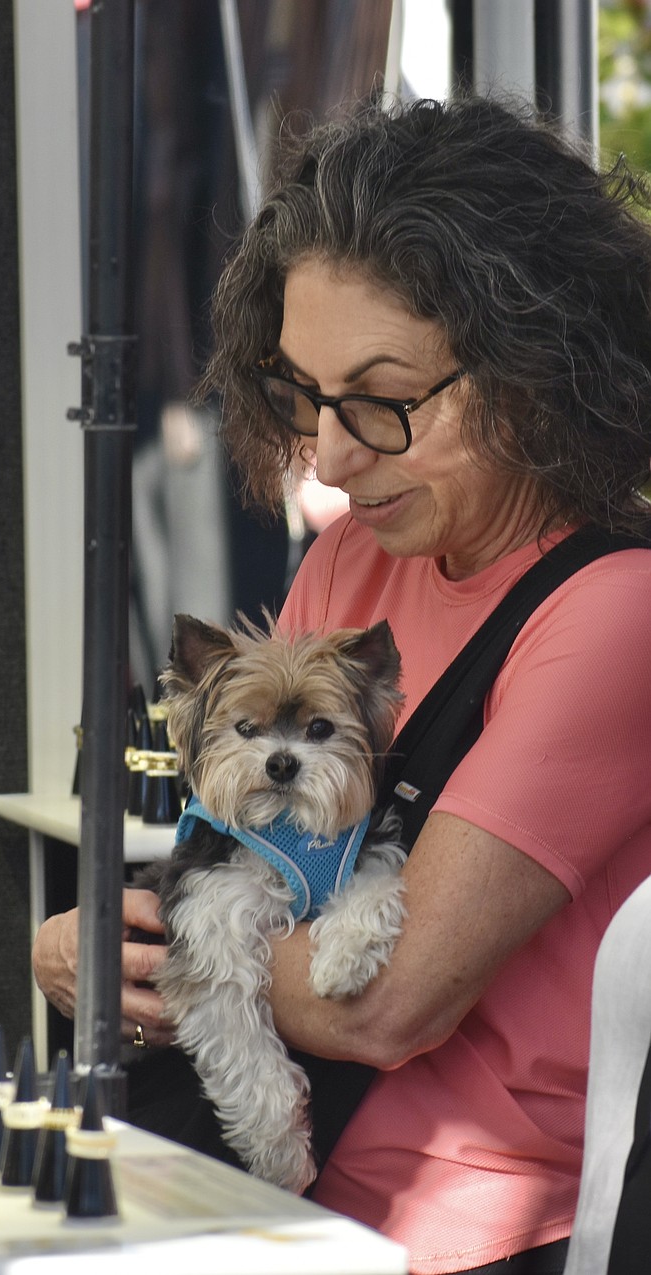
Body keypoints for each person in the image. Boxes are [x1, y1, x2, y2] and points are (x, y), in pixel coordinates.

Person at [32, 96, 651, 1274]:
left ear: (536, 369)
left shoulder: (616, 614)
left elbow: (381, 1003)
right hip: (250, 1168)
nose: (326, 456)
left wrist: (147, 960)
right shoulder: (355, 555)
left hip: (456, 1227)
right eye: (301, 395)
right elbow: (250, 857)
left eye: (381, 399)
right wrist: (92, 945)